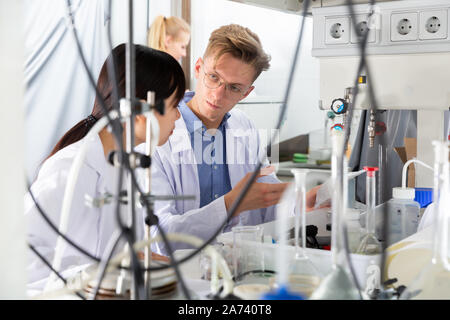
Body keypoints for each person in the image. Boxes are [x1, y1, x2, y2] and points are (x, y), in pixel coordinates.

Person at [147, 24, 322, 255]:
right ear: (198, 68)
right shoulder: (158, 133)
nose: (218, 94)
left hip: (241, 265)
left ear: (247, 92)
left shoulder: (244, 127)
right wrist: (230, 205)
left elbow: (266, 198)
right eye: (213, 77)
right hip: (180, 275)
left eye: (234, 87)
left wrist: (299, 204)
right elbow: (159, 237)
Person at [25, 43, 185, 291]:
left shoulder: (127, 167)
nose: (178, 116)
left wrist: (134, 259)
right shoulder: (70, 169)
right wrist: (102, 274)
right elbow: (21, 264)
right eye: (175, 105)